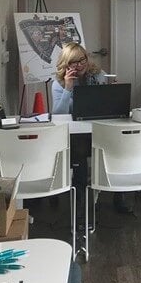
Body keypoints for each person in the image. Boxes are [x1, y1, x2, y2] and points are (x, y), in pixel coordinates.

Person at [52, 42, 131, 215]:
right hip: (77, 133)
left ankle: (119, 193)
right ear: (66, 64)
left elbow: (107, 105)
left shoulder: (99, 75)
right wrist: (68, 89)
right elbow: (58, 115)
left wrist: (112, 92)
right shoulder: (58, 83)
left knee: (117, 145)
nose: (80, 65)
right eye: (74, 62)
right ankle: (81, 198)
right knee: (79, 152)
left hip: (100, 128)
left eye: (83, 60)